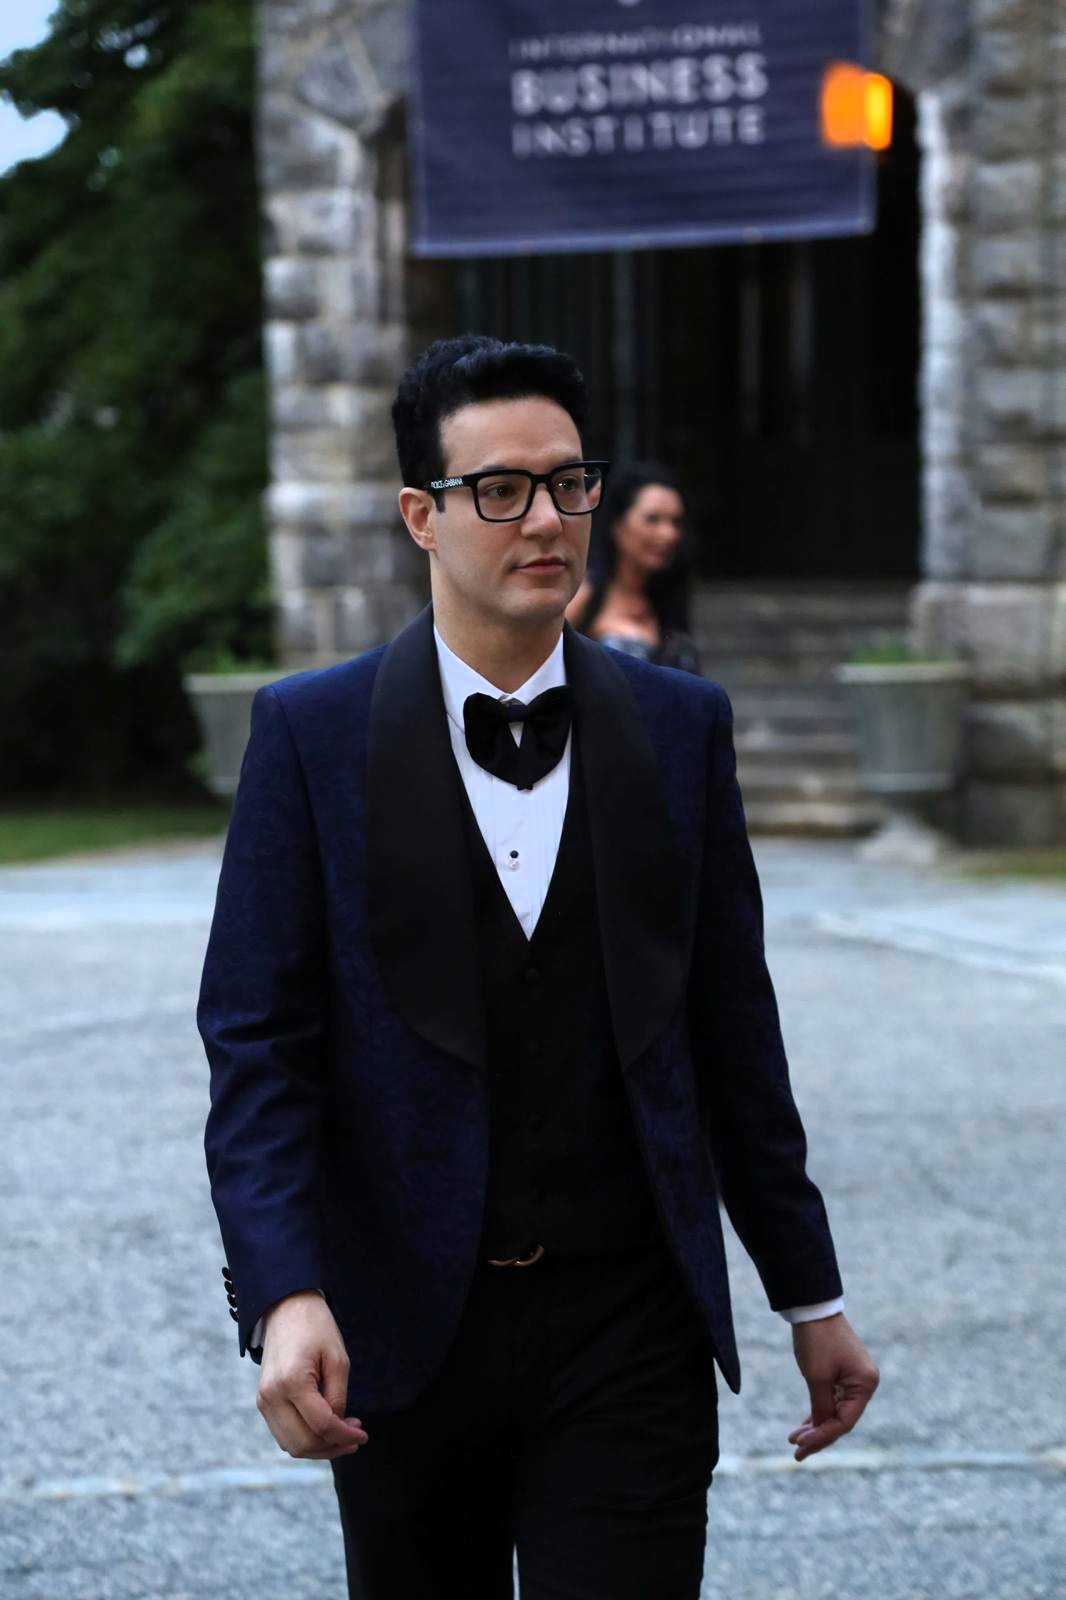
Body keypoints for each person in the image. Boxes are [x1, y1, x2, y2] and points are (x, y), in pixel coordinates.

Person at [199, 334, 878, 1600]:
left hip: (632, 1326)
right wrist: (285, 1290)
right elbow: (258, 1045)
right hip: (403, 1338)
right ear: (422, 515)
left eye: (568, 482)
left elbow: (733, 1030)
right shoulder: (309, 732)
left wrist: (809, 1294)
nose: (548, 519)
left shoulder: (682, 727)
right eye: (500, 489)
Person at [567, 460, 700, 673]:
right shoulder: (586, 595)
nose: (669, 534)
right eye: (652, 519)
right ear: (617, 525)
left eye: (676, 522)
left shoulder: (669, 601)